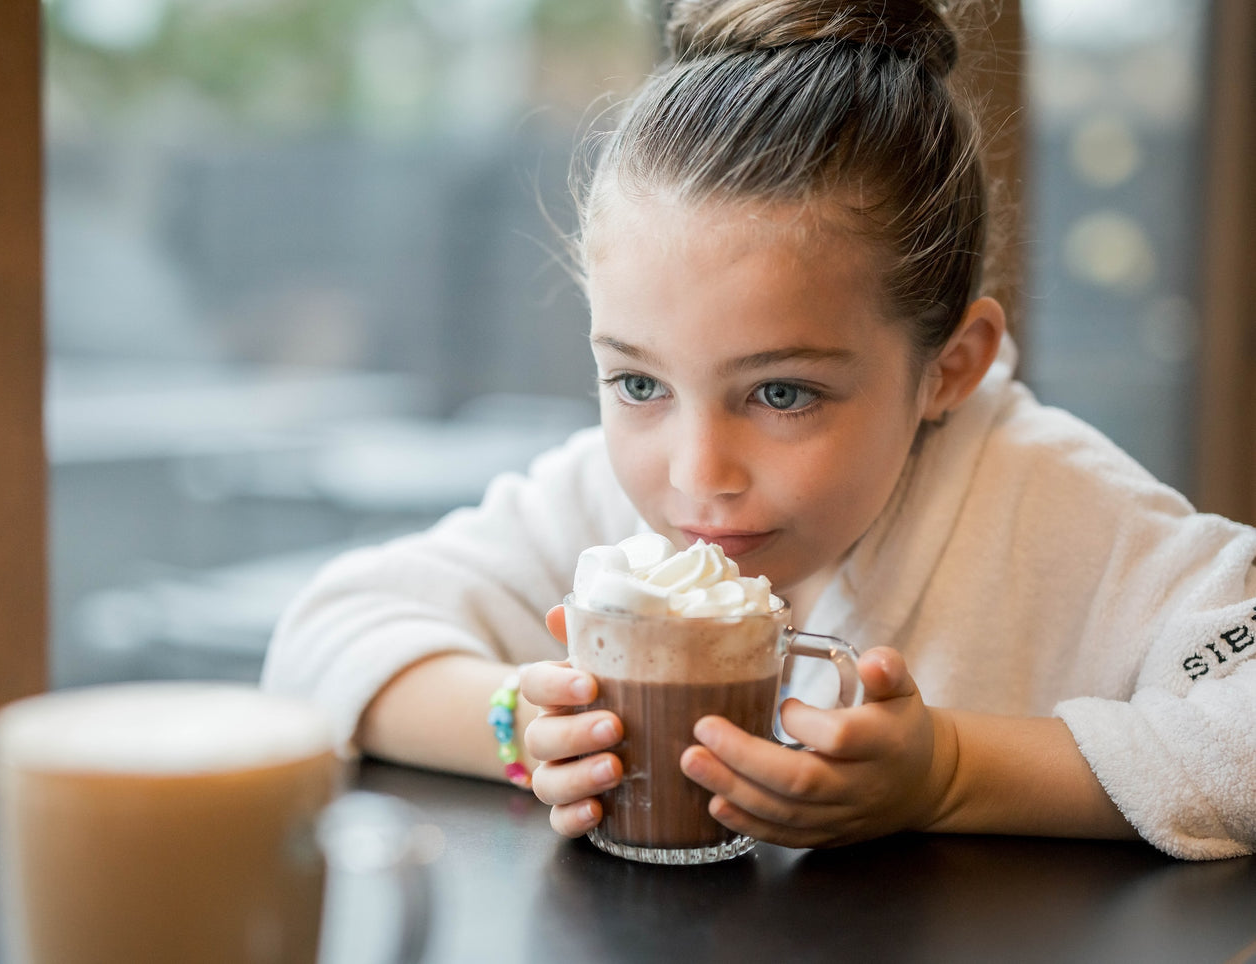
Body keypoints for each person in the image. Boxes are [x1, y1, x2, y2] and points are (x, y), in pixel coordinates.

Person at [262, 0, 1256, 860]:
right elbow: (323, 637)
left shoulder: (1053, 504)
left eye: (780, 395)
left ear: (947, 366)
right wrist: (520, 724)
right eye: (637, 382)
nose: (697, 477)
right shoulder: (605, 507)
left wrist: (949, 771)